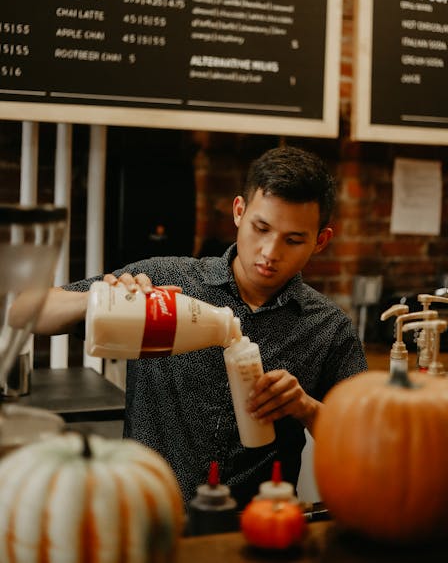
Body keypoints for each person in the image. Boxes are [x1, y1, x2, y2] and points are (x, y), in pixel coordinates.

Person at [29, 145, 367, 509]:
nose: (270, 251)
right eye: (261, 227)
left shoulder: (327, 328)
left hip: (257, 525)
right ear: (239, 211)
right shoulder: (165, 280)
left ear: (321, 240)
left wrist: (306, 408)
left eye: (293, 239)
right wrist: (101, 298)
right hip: (148, 510)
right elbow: (25, 312)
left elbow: (362, 445)